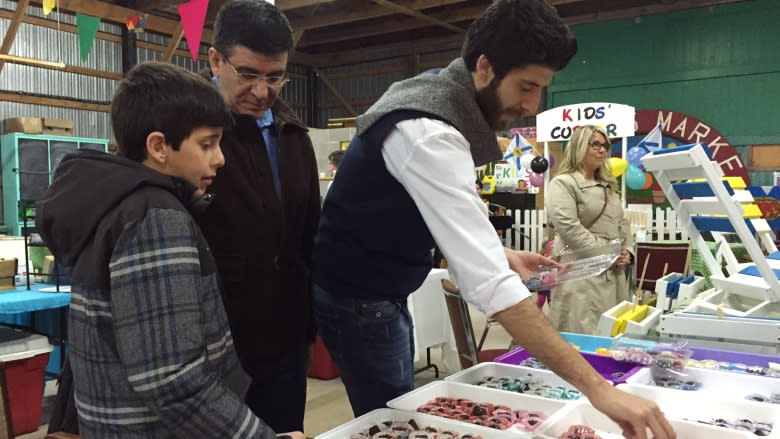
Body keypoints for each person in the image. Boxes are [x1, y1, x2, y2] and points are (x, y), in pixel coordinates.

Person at [312, 1, 675, 438]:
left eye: (541, 87)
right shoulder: (430, 131)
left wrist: (498, 253)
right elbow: (491, 290)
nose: (531, 103)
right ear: (484, 67)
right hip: (358, 297)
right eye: (525, 85)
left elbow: (431, 213)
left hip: (380, 290)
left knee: (398, 406)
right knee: (392, 421)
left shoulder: (440, 96)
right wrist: (599, 391)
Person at [36, 62, 303, 439]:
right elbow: (172, 379)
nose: (220, 158)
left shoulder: (113, 203)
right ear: (159, 146)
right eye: (207, 144)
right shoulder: (153, 217)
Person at [196, 0, 320, 433]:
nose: (262, 91)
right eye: (247, 74)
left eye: (275, 77)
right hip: (216, 345)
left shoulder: (293, 137)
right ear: (215, 59)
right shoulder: (186, 132)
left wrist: (308, 320)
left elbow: (309, 237)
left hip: (286, 339)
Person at [547, 125, 634, 334]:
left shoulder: (608, 185)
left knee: (612, 334)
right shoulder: (563, 183)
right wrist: (607, 255)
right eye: (595, 144)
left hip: (613, 273)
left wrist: (627, 253)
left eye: (605, 145)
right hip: (581, 271)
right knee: (581, 335)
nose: (602, 150)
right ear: (579, 146)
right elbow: (568, 226)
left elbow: (621, 223)